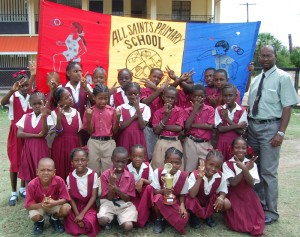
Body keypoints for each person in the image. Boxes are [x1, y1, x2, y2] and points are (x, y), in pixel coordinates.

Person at [247, 45, 300, 225]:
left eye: (269, 56)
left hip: (270, 127)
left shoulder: (282, 78)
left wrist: (281, 132)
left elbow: (288, 106)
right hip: (253, 127)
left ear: (275, 56)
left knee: (268, 171)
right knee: (255, 169)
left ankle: (271, 211)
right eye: (262, 56)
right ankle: (259, 206)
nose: (265, 59)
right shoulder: (257, 78)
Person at [1, 71, 32, 206]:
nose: (24, 88)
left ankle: (22, 188)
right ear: (17, 86)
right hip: (16, 132)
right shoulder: (14, 96)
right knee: (15, 162)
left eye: (27, 85)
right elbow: (2, 103)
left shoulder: (31, 98)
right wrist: (11, 91)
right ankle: (13, 192)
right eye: (21, 86)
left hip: (28, 132)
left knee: (26, 160)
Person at [222, 137, 265, 236]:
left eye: (243, 148)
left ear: (247, 149)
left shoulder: (251, 163)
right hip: (234, 195)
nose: (240, 150)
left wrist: (245, 168)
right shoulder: (227, 164)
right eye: (237, 147)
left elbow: (251, 183)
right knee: (236, 224)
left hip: (248, 195)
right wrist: (245, 169)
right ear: (232, 149)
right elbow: (233, 183)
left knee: (256, 221)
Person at [25, 158, 71, 235]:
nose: (46, 173)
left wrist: (54, 203)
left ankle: (54, 218)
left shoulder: (59, 181)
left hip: (54, 205)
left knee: (67, 208)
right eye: (42, 170)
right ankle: (40, 221)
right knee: (35, 216)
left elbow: (66, 198)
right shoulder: (31, 185)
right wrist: (41, 204)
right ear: (37, 172)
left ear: (54, 172)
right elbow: (28, 206)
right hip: (39, 206)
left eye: (49, 170)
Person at [185, 150, 231, 229]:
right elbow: (192, 195)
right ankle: (194, 216)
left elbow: (223, 190)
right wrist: (200, 178)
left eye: (217, 167)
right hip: (197, 200)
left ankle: (209, 215)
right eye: (211, 164)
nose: (213, 168)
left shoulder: (221, 176)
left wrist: (221, 197)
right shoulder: (195, 174)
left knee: (226, 203)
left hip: (208, 201)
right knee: (189, 200)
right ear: (205, 162)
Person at [97, 147, 138, 231]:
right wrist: (111, 183)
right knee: (102, 220)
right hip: (108, 202)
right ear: (112, 159)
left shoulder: (130, 176)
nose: (120, 164)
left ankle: (119, 219)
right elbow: (109, 198)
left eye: (123, 162)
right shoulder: (105, 175)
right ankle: (111, 218)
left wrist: (116, 189)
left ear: (127, 161)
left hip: (124, 203)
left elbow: (127, 199)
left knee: (128, 226)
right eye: (117, 161)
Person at [83, 84, 120, 175]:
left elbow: (115, 131)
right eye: (100, 98)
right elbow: (90, 132)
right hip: (93, 142)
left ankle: (106, 189)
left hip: (108, 143)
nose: (103, 101)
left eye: (105, 98)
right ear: (94, 97)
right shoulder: (89, 111)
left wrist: (117, 118)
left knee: (109, 170)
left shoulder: (112, 111)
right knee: (93, 170)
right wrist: (89, 118)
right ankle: (95, 189)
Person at [151, 147, 189, 234]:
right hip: (161, 201)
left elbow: (182, 194)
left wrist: (182, 205)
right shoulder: (158, 172)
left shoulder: (183, 176)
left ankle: (168, 218)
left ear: (181, 163)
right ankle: (159, 219)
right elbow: (155, 191)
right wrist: (163, 191)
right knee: (157, 198)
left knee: (184, 218)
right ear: (165, 162)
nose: (174, 165)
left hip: (174, 202)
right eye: (171, 162)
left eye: (177, 162)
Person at [16, 91, 52, 182]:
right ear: (30, 104)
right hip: (28, 148)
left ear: (45, 102)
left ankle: (43, 194)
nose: (37, 106)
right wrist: (36, 135)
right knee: (29, 171)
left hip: (42, 148)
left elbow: (44, 133)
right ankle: (30, 194)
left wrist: (43, 116)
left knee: (42, 172)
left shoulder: (48, 117)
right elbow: (19, 134)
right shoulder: (26, 116)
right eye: (34, 104)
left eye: (40, 103)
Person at [64, 148, 101, 237]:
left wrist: (82, 214)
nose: (80, 163)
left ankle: (83, 223)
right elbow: (71, 198)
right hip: (76, 207)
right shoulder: (70, 177)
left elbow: (93, 196)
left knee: (89, 221)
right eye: (76, 160)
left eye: (83, 160)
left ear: (87, 161)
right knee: (71, 220)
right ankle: (80, 224)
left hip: (89, 207)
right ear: (72, 163)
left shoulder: (93, 175)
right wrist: (78, 215)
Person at [51, 87, 82, 180]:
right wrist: (59, 118)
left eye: (70, 96)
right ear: (59, 102)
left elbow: (78, 132)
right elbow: (58, 132)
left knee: (73, 167)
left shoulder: (76, 113)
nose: (70, 98)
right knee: (61, 166)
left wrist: (80, 148)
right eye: (66, 98)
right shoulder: (54, 113)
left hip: (74, 144)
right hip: (60, 146)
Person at [151, 86, 185, 170]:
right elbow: (156, 130)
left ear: (176, 99)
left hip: (175, 142)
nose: (169, 99)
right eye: (167, 97)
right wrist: (166, 116)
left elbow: (179, 128)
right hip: (161, 142)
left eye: (172, 98)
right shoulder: (158, 112)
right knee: (158, 166)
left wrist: (162, 126)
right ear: (163, 97)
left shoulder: (180, 111)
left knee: (177, 167)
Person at [183, 84, 214, 172]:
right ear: (190, 97)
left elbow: (210, 126)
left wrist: (193, 125)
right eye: (195, 97)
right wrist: (194, 109)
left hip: (205, 143)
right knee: (189, 168)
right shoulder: (187, 110)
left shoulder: (210, 109)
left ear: (205, 97)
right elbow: (187, 127)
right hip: (190, 142)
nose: (198, 99)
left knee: (205, 169)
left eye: (201, 96)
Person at [116, 82, 150, 159]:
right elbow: (120, 127)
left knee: (138, 160)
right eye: (130, 94)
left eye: (135, 94)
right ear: (126, 94)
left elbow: (142, 126)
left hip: (138, 138)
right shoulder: (120, 108)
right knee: (124, 160)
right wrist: (134, 117)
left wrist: (138, 109)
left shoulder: (145, 108)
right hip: (125, 139)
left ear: (140, 94)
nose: (133, 96)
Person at [215, 83, 248, 161]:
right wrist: (237, 126)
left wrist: (227, 119)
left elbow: (240, 131)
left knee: (234, 164)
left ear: (236, 96)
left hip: (236, 144)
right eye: (225, 96)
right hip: (222, 143)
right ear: (222, 96)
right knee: (221, 165)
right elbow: (220, 129)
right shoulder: (219, 109)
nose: (228, 98)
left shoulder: (242, 110)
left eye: (230, 95)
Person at [140, 68, 167, 160]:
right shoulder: (144, 90)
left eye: (159, 78)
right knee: (146, 153)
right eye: (154, 76)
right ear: (149, 77)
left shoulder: (162, 92)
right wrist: (159, 89)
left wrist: (156, 88)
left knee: (157, 155)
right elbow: (145, 102)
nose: (156, 79)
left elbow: (167, 95)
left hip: (160, 127)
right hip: (147, 127)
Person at [126, 144, 153, 227]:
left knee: (149, 187)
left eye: (140, 156)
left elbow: (153, 182)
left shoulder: (147, 166)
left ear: (144, 157)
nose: (137, 159)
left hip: (144, 195)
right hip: (133, 196)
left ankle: (146, 216)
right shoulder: (127, 169)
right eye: (134, 156)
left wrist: (143, 180)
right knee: (136, 213)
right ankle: (143, 218)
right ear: (130, 156)